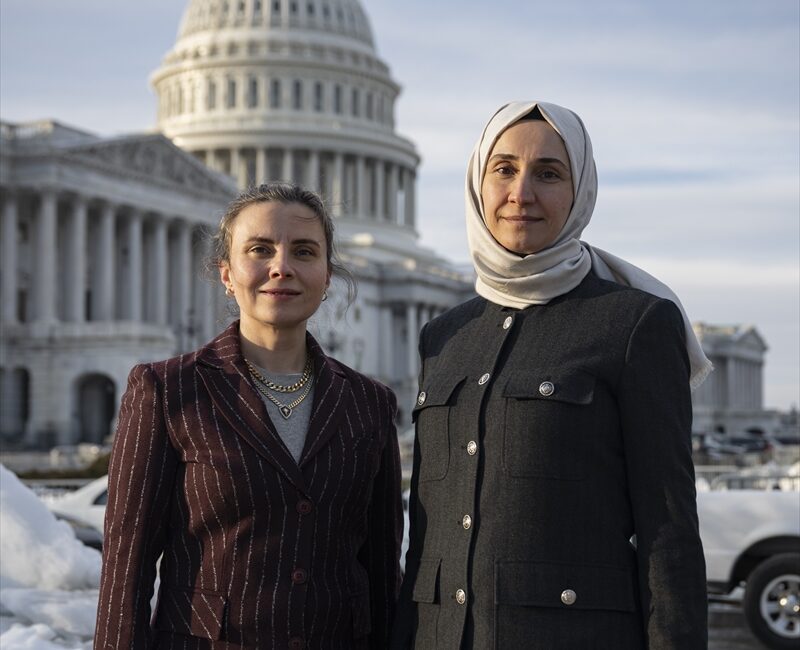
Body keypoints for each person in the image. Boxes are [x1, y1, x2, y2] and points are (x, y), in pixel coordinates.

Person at [392, 102, 710, 649]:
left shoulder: (634, 323)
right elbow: (427, 530)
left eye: (548, 173)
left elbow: (668, 531)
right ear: (477, 183)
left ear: (580, 190)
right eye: (504, 169)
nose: (521, 193)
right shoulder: (445, 335)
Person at [94, 183, 403, 650]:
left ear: (326, 276)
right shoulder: (167, 390)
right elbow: (126, 569)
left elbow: (382, 572)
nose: (282, 267)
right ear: (227, 273)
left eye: (304, 251)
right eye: (260, 249)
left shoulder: (369, 403)